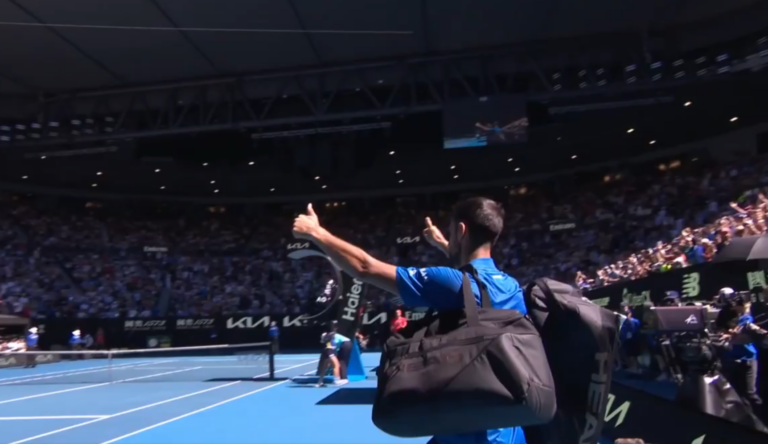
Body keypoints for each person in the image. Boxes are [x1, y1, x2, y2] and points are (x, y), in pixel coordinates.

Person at [292, 197, 527, 444]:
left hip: (466, 433)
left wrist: (317, 233)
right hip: (509, 430)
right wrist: (443, 244)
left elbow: (365, 267)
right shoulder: (511, 287)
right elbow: (473, 277)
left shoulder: (451, 282)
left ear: (461, 230)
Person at [316, 321, 342, 387]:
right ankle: (337, 380)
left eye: (335, 326)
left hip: (327, 351)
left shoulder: (330, 334)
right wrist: (330, 345)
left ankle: (320, 382)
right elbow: (325, 341)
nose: (335, 327)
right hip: (329, 351)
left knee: (325, 367)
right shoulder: (329, 334)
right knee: (336, 365)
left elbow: (322, 341)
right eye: (334, 326)